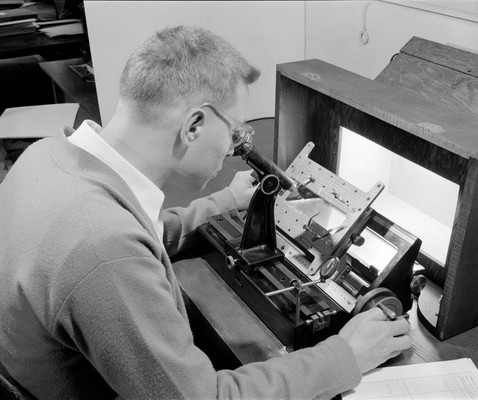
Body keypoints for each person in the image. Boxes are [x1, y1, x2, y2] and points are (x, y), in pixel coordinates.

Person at [0, 26, 410, 399]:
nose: (235, 148)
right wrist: (345, 357)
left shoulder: (48, 155)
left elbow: (144, 230)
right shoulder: (104, 249)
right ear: (194, 124)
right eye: (236, 132)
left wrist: (226, 201)